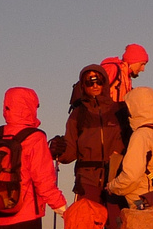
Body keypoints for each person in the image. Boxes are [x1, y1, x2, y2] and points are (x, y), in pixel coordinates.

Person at [0, 87, 67, 229]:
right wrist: (64, 210)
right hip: (25, 214)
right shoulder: (35, 137)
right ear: (31, 106)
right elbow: (44, 182)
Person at [50, 65, 126, 205]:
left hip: (117, 177)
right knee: (88, 223)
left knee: (119, 224)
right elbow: (71, 151)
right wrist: (58, 151)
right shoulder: (78, 114)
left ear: (105, 83)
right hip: (87, 180)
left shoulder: (120, 110)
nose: (95, 85)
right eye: (90, 82)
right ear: (83, 86)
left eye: (99, 81)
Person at [108, 87, 153, 210]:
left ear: (136, 107)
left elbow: (131, 176)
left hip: (142, 200)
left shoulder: (140, 135)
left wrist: (112, 186)